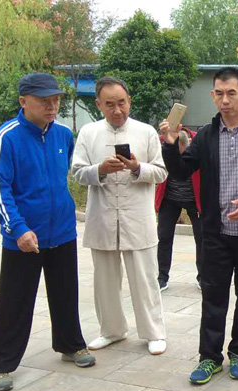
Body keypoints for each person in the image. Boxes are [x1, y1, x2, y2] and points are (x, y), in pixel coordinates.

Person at [160, 67, 238, 384]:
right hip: (214, 232)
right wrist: (170, 145)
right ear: (213, 96)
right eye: (219, 94)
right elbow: (182, 172)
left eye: (232, 93)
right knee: (213, 296)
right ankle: (209, 357)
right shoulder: (206, 136)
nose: (225, 100)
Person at [0, 73, 95, 391]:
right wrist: (18, 228)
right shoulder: (6, 138)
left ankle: (70, 344)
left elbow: (63, 177)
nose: (52, 106)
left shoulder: (62, 134)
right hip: (23, 237)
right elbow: (0, 191)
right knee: (14, 301)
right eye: (44, 100)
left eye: (56, 99)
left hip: (62, 231)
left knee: (65, 292)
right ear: (23, 101)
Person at [72, 76, 169, 356]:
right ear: (99, 104)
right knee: (105, 282)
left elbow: (161, 172)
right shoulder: (88, 133)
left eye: (122, 103)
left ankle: (154, 333)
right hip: (102, 219)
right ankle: (112, 330)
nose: (117, 110)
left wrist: (137, 167)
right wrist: (100, 170)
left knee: (145, 280)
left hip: (137, 219)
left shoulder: (146, 132)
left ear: (130, 101)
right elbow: (77, 172)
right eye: (110, 104)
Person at [156, 128, 203, 292]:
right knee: (164, 237)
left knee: (202, 238)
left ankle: (203, 277)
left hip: (195, 199)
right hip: (170, 198)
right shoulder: (165, 143)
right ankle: (162, 277)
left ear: (188, 144)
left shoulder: (199, 144)